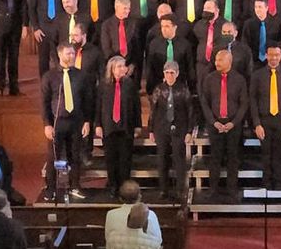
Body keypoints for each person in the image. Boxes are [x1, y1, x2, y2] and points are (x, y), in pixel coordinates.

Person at [41, 43, 91, 201]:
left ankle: (75, 186)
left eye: (73, 54)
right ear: (60, 54)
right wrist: (47, 124)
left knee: (75, 155)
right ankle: (51, 188)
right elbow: (44, 102)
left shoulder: (81, 75)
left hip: (76, 121)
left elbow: (87, 100)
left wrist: (87, 121)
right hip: (57, 122)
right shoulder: (50, 76)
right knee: (53, 157)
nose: (72, 56)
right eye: (68, 54)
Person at [200, 50, 248, 199]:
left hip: (233, 125)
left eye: (220, 60)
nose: (216, 63)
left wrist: (233, 123)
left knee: (233, 157)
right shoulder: (209, 79)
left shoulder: (240, 80)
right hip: (215, 125)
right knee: (215, 157)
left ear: (229, 61)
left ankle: (231, 189)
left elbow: (244, 103)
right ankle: (212, 188)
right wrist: (214, 122)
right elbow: (204, 103)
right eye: (216, 60)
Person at [250, 43, 281, 189]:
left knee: (279, 154)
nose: (274, 58)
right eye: (271, 55)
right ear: (266, 56)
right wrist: (257, 124)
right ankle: (266, 183)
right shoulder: (257, 75)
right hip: (264, 120)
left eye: (277, 55)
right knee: (265, 154)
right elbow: (252, 100)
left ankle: (279, 183)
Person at [95, 56, 141, 197]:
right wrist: (98, 125)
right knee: (111, 159)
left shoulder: (130, 84)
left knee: (125, 160)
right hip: (109, 127)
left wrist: (137, 126)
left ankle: (124, 189)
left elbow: (136, 106)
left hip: (125, 127)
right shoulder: (103, 85)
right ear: (112, 69)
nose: (123, 69)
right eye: (119, 67)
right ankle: (113, 186)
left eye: (124, 66)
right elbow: (98, 106)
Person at [148, 61, 193, 199]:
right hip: (161, 128)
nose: (169, 76)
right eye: (167, 73)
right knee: (162, 159)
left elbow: (190, 111)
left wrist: (189, 131)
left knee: (179, 160)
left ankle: (181, 189)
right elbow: (153, 111)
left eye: (172, 73)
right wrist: (150, 130)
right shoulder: (159, 89)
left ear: (177, 73)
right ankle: (163, 189)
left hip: (179, 128)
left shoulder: (183, 89)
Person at [122, 0, 167, 82]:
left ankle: (152, 82)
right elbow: (125, 3)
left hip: (153, 23)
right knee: (136, 54)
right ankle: (136, 83)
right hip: (135, 24)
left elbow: (163, 2)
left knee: (153, 52)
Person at [70, 23, 102, 166]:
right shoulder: (69, 51)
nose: (73, 38)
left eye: (76, 35)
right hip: (72, 92)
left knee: (87, 121)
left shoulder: (95, 52)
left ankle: (86, 153)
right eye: (72, 35)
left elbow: (101, 74)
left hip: (89, 93)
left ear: (84, 36)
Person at [28, 0, 65, 77]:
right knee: (43, 59)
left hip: (58, 26)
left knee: (59, 56)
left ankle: (60, 81)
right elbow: (31, 8)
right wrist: (36, 28)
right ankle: (44, 82)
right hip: (42, 28)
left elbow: (64, 5)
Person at [146, 13, 195, 94]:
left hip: (179, 87)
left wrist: (192, 89)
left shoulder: (185, 45)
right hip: (159, 86)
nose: (163, 29)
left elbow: (190, 69)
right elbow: (150, 68)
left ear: (175, 27)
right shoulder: (154, 44)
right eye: (162, 26)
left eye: (167, 26)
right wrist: (150, 90)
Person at [101, 0, 139, 79]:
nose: (128, 11)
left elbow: (137, 47)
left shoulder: (133, 24)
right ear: (116, 8)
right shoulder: (107, 25)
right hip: (113, 68)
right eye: (125, 8)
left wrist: (132, 65)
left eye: (129, 8)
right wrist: (118, 66)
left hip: (130, 68)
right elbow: (106, 48)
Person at [192, 0, 227, 91]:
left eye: (209, 8)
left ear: (217, 10)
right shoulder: (198, 25)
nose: (206, 10)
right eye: (204, 8)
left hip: (217, 65)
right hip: (202, 64)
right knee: (201, 89)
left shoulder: (225, 25)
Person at [242, 0, 281, 70]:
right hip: (254, 61)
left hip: (272, 60)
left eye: (260, 7)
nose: (257, 9)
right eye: (256, 7)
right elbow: (245, 43)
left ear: (266, 8)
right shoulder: (248, 24)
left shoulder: (276, 23)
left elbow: (280, 41)